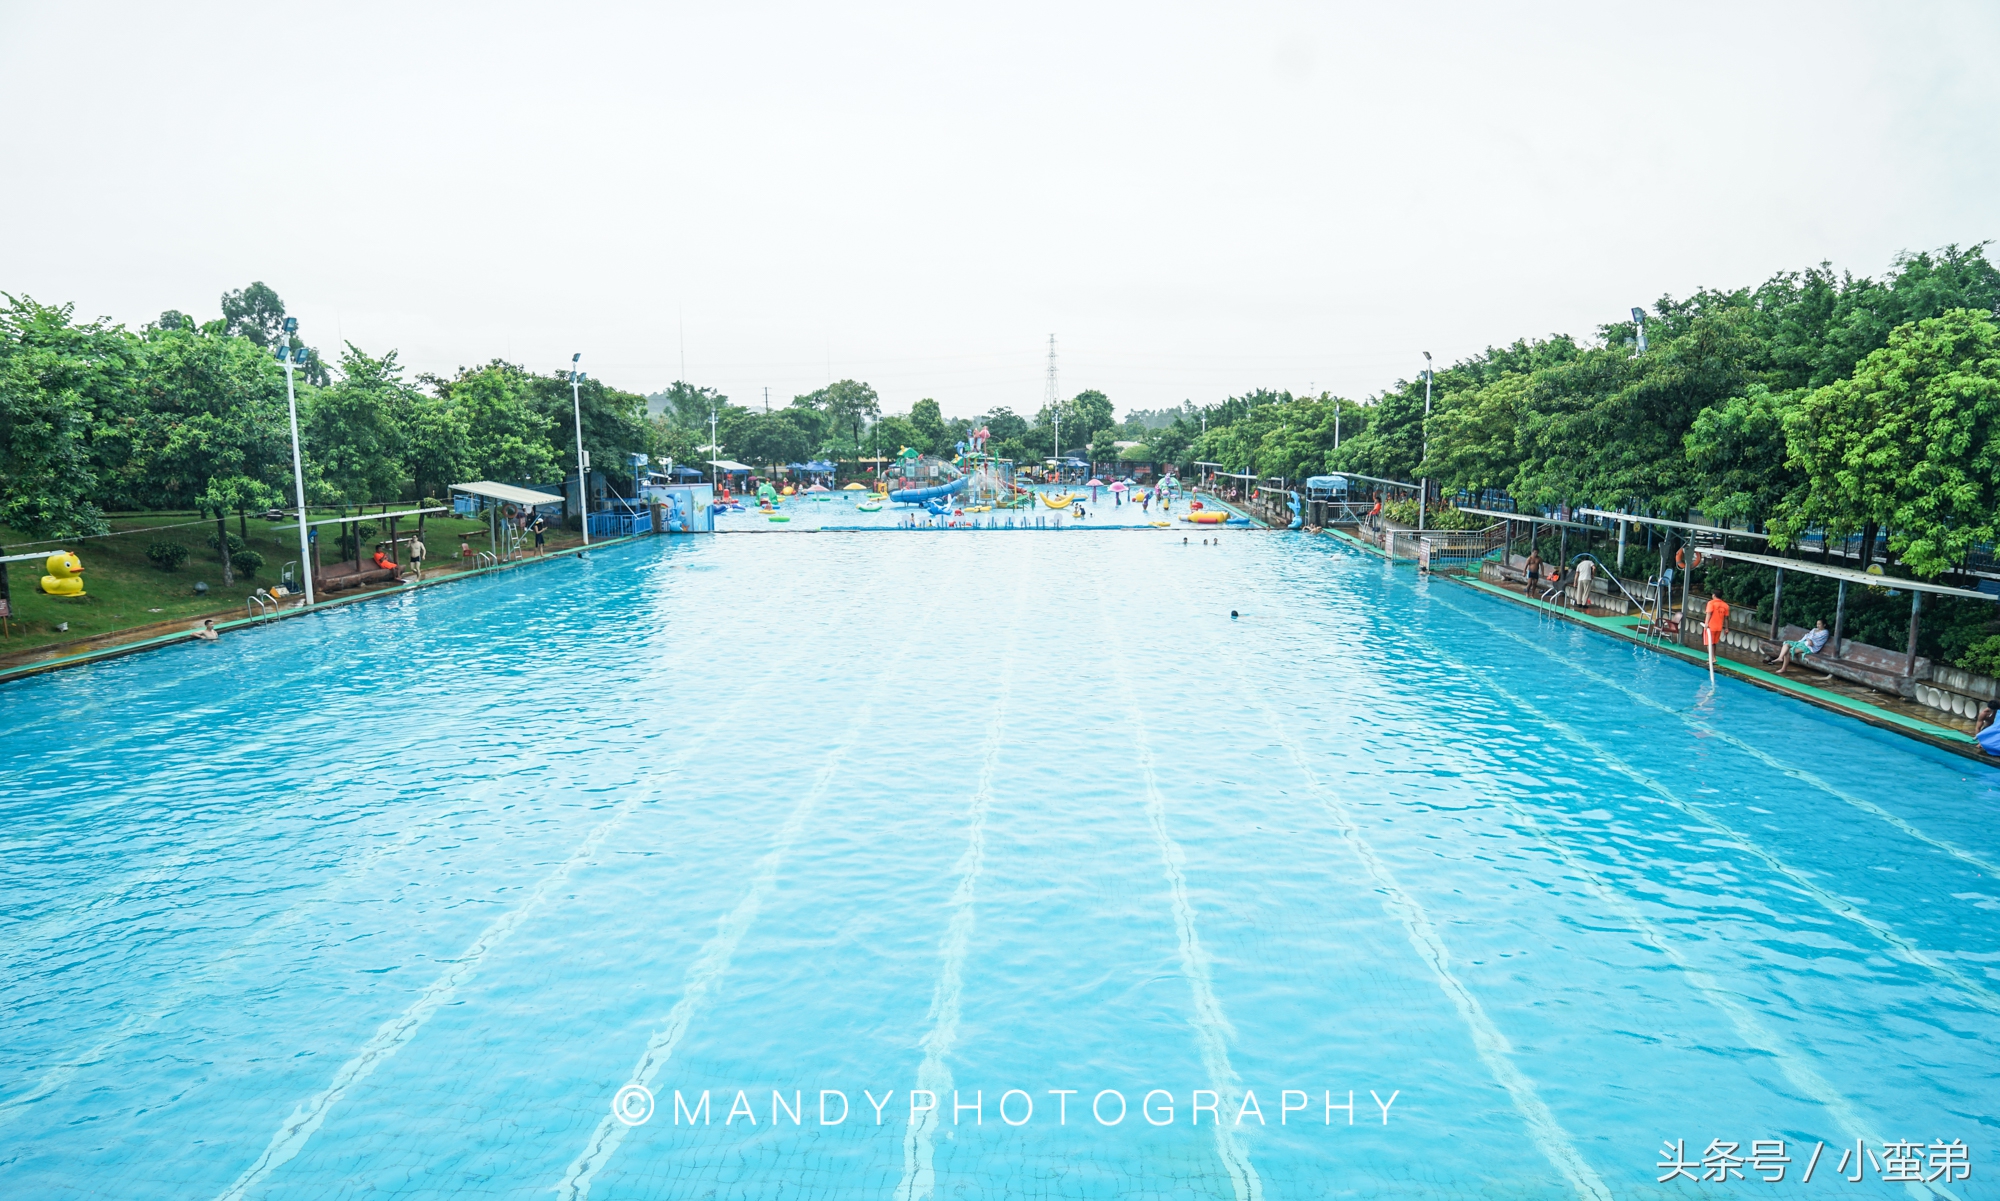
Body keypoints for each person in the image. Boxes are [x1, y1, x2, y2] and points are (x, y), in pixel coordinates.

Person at [1703, 591, 1730, 670]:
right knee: (1714, 643)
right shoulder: (1725, 605)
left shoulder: (1711, 603)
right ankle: (1713, 657)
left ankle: (1712, 658)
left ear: (1714, 595)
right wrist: (1726, 628)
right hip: (1719, 627)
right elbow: (1726, 618)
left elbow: (1709, 614)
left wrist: (1706, 624)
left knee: (1709, 643)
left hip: (1710, 626)